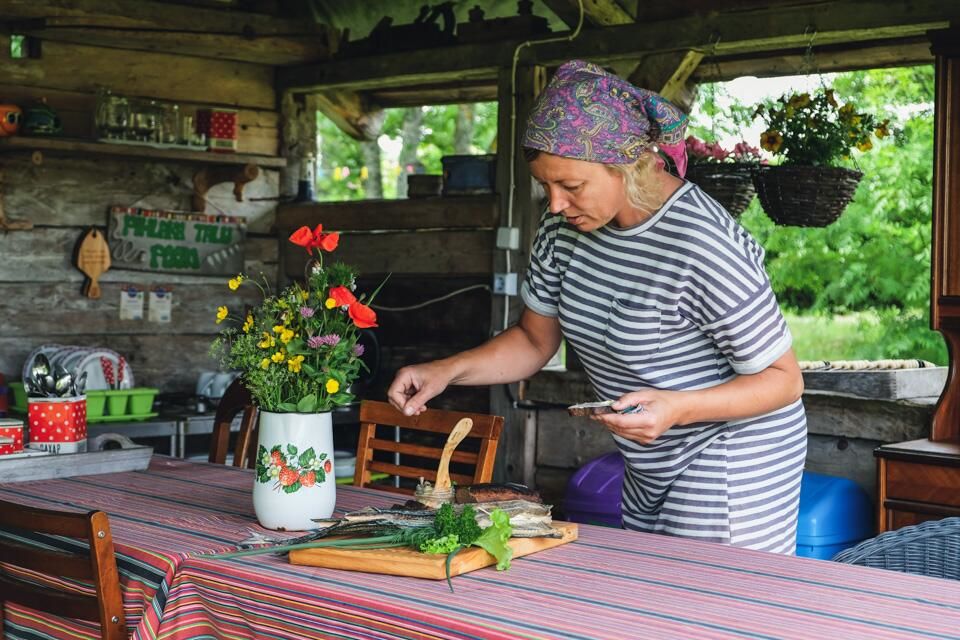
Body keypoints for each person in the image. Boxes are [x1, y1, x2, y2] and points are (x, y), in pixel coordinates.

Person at [388, 60, 807, 554]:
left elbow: (784, 380)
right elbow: (533, 340)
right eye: (545, 186)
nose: (556, 204)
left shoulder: (702, 243)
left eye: (571, 185)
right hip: (649, 456)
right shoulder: (563, 228)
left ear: (626, 165)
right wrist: (446, 371)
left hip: (732, 455)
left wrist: (677, 407)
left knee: (705, 607)